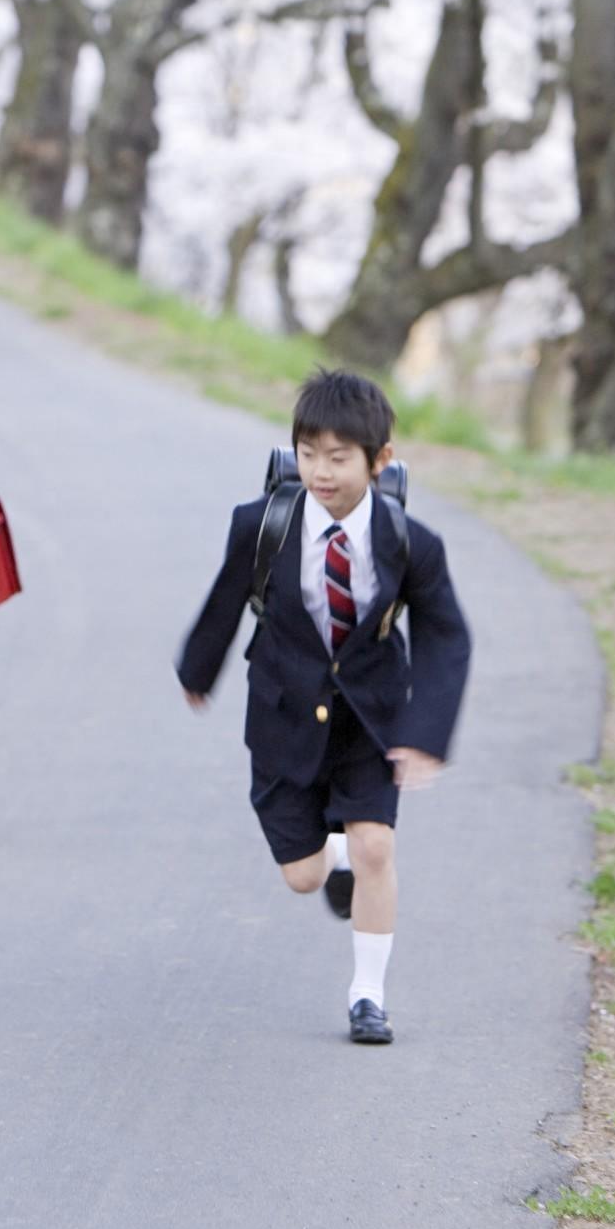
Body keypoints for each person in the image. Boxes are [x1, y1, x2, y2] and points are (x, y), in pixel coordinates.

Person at [176, 370, 471, 1045]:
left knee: (375, 845)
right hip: (282, 715)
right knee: (304, 875)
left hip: (372, 716)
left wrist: (426, 731)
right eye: (309, 453)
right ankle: (330, 862)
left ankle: (368, 994)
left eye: (339, 457)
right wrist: (200, 667)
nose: (322, 471)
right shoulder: (263, 526)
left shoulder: (409, 542)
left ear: (380, 459)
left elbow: (445, 633)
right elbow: (227, 599)